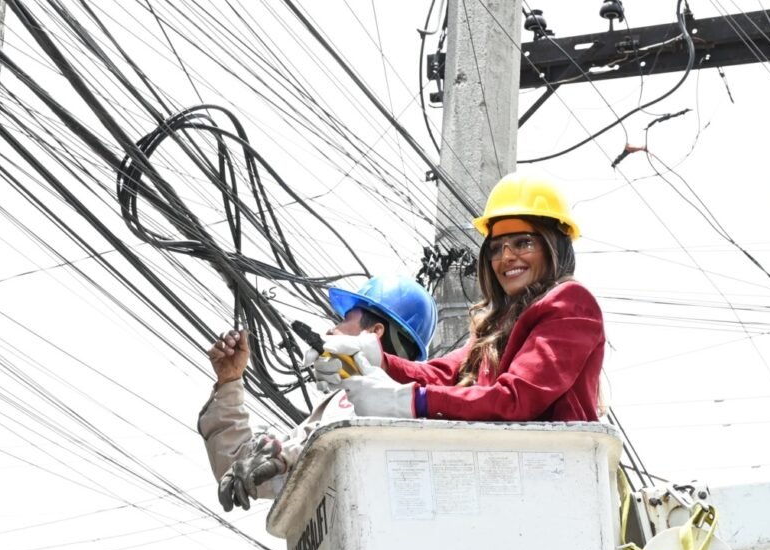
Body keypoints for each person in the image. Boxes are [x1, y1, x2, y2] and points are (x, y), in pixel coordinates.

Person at [316, 172, 604, 422]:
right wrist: (375, 358)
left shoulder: (570, 303)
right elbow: (443, 374)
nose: (506, 257)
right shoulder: (497, 325)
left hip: (557, 470)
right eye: (496, 247)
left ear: (554, 246)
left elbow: (515, 399)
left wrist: (411, 401)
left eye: (523, 242)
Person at [199, 275, 437, 511]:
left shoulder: (398, 404)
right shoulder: (341, 404)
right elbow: (237, 463)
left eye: (345, 320)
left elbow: (346, 445)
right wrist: (229, 381)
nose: (331, 329)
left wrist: (285, 458)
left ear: (373, 333)